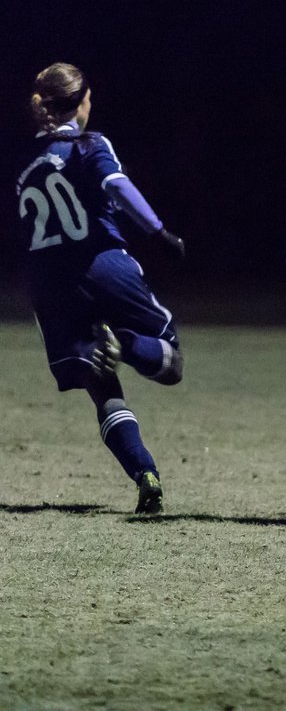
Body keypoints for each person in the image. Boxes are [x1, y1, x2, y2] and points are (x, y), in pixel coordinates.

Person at [16, 63, 187, 513]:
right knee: (171, 360)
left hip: (51, 285)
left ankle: (144, 472)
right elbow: (116, 183)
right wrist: (158, 232)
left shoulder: (23, 162)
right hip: (102, 265)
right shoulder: (90, 144)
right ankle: (127, 346)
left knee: (101, 384)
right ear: (82, 102)